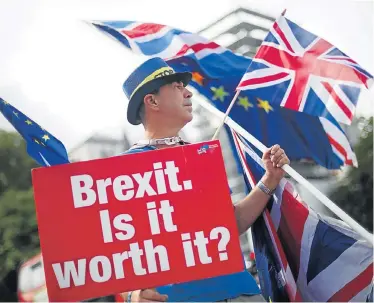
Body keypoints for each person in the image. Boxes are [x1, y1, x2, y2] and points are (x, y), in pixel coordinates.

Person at [117, 57, 290, 302]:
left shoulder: (201, 156)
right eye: (177, 87)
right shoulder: (123, 171)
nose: (188, 93)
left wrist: (270, 179)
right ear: (152, 100)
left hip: (242, 292)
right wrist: (133, 295)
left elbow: (230, 223)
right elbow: (114, 254)